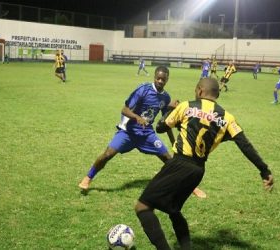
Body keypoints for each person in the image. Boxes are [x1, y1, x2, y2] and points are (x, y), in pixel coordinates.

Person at [135, 77, 274, 250]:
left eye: (196, 90)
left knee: (142, 207)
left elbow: (161, 127)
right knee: (173, 210)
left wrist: (170, 111)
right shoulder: (228, 118)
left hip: (179, 164)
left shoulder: (186, 106)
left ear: (200, 90)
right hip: (198, 170)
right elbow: (245, 145)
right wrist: (264, 170)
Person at [78, 66, 206, 198]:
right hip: (128, 133)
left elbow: (166, 121)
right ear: (154, 77)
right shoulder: (143, 90)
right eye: (158, 78)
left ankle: (192, 187)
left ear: (167, 79)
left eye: (163, 79)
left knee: (169, 160)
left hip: (147, 135)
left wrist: (173, 140)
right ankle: (88, 178)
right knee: (107, 154)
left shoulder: (166, 97)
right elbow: (124, 109)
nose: (160, 81)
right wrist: (137, 117)